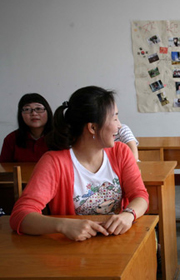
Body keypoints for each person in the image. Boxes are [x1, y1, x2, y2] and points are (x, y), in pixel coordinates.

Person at [10, 86, 149, 241]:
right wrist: (62, 225)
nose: (119, 125)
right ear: (92, 127)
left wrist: (128, 214)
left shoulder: (121, 152)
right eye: (114, 118)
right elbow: (20, 216)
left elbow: (140, 196)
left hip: (116, 241)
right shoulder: (54, 162)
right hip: (73, 249)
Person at [0, 93, 53, 162]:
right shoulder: (11, 139)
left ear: (48, 112)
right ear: (21, 114)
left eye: (38, 108)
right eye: (27, 109)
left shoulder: (60, 138)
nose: (34, 113)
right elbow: (3, 169)